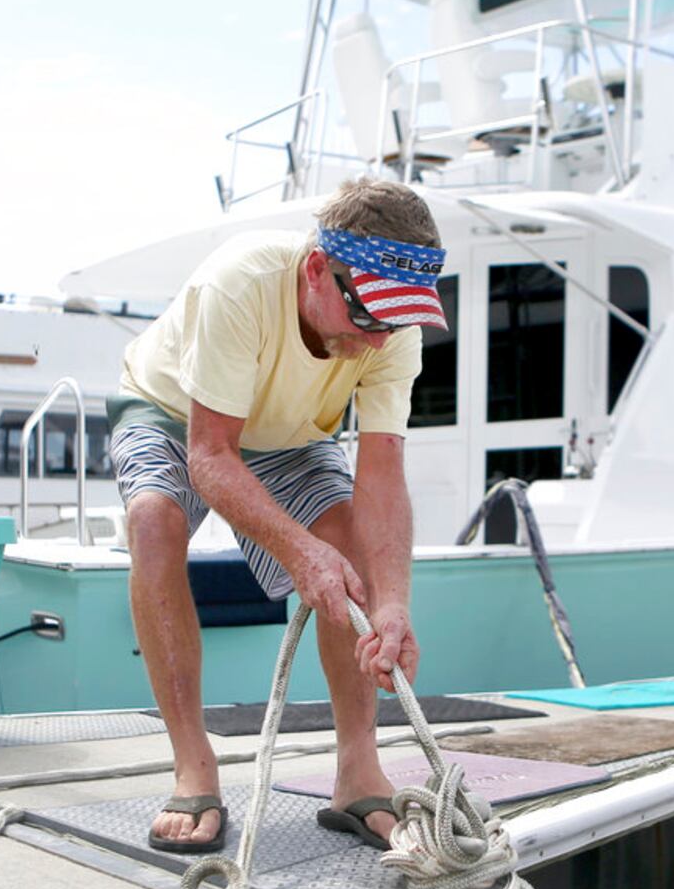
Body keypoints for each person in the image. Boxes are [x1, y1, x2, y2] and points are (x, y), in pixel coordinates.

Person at [107, 177, 448, 854]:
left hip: (287, 433)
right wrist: (298, 551)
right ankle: (193, 764)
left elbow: (381, 473)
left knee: (345, 536)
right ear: (318, 270)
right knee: (154, 522)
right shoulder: (242, 282)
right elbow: (209, 456)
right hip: (178, 412)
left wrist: (394, 604)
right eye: (367, 314)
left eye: (393, 320)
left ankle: (358, 773)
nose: (379, 340)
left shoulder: (388, 332)